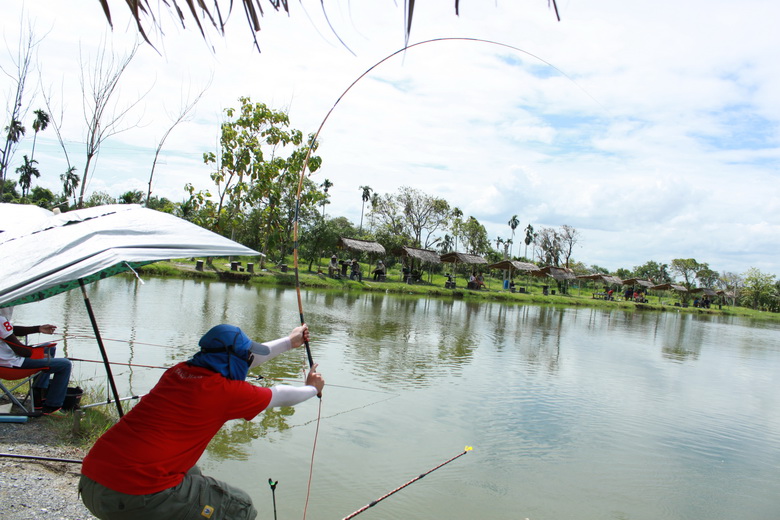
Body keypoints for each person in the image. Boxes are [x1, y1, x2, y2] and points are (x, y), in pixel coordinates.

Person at [79, 323, 324, 520]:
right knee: (239, 508)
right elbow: (280, 395)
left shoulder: (177, 371)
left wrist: (290, 342)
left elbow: (243, 358)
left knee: (193, 475)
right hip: (132, 494)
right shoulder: (223, 392)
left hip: (91, 481)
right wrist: (312, 389)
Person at [0, 307, 71, 415]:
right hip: (12, 366)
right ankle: (53, 407)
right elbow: (22, 352)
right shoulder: (0, 320)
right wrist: (38, 354)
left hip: (5, 364)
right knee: (65, 364)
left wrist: (38, 328)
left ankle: (38, 395)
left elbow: (10, 330)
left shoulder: (2, 322)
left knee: (49, 348)